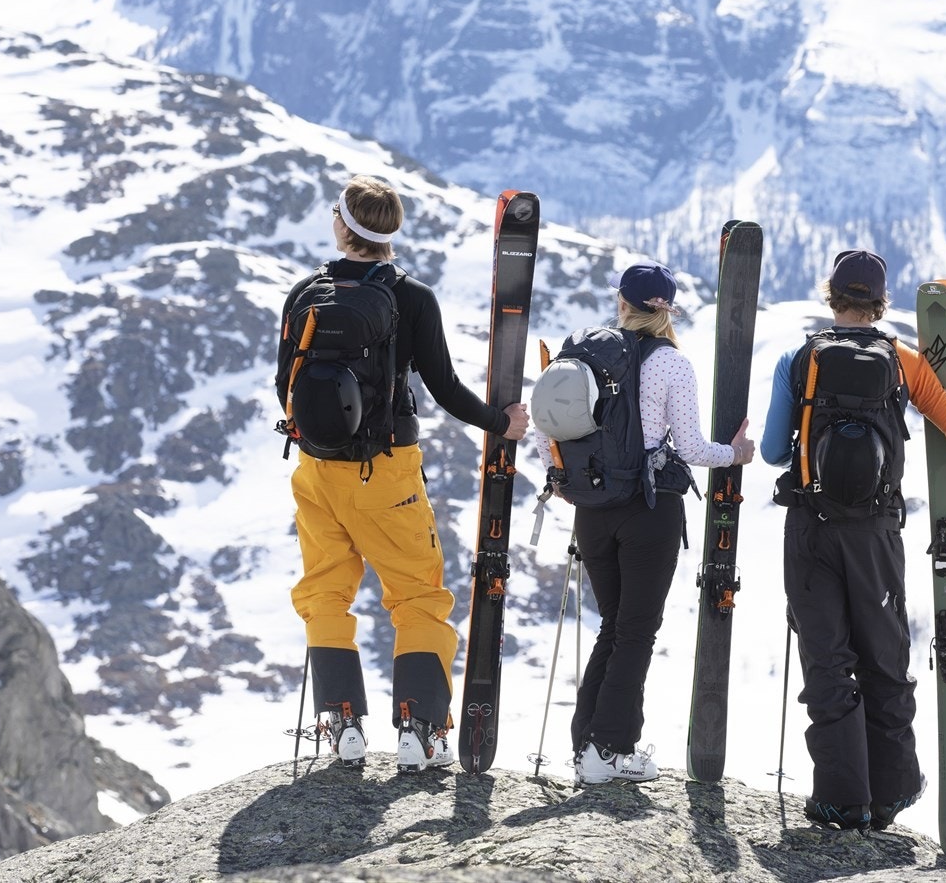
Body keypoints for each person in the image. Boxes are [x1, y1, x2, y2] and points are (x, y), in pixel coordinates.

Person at [275, 174, 529, 771]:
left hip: (314, 470)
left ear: (343, 226)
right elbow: (442, 387)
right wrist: (501, 422)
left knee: (324, 594)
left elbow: (283, 385)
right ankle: (420, 731)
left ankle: (341, 727)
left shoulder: (304, 292)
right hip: (384, 472)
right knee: (416, 595)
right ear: (390, 232)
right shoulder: (411, 297)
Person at [760, 249, 946, 831]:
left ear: (831, 295)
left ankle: (841, 799)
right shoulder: (902, 362)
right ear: (880, 303)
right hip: (877, 535)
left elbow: (772, 453)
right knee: (884, 658)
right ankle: (891, 792)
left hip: (811, 529)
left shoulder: (799, 357)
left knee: (827, 660)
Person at [535, 262, 755, 784]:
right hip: (648, 511)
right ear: (666, 309)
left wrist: (563, 481)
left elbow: (547, 426)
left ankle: (588, 743)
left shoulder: (582, 355)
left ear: (622, 302)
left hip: (591, 512)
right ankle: (609, 750)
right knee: (635, 632)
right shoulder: (671, 364)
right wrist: (737, 453)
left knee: (613, 626)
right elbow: (694, 448)